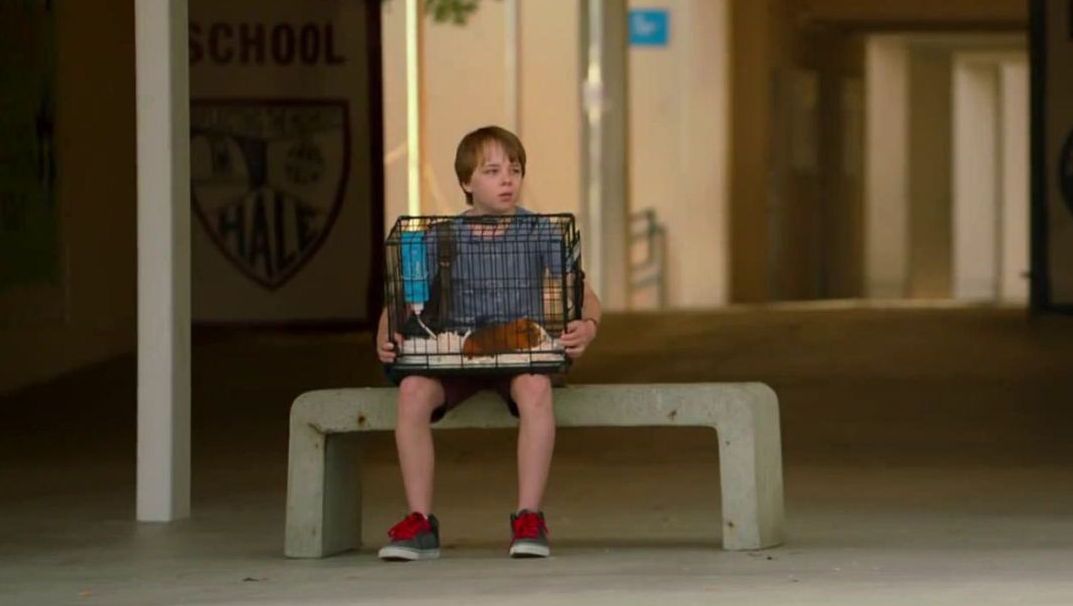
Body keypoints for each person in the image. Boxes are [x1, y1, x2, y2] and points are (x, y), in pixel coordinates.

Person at [375, 126, 601, 561]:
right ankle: (420, 521)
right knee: (412, 390)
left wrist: (588, 325)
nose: (507, 180)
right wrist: (385, 337)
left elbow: (584, 292)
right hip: (456, 354)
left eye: (514, 170)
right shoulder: (440, 236)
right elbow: (400, 298)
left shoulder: (539, 232)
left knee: (535, 387)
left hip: (520, 352)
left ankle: (529, 516)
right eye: (493, 171)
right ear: (465, 183)